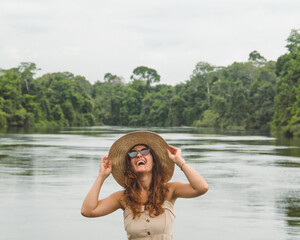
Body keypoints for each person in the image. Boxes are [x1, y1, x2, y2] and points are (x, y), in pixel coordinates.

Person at [81, 131, 209, 239]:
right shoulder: (122, 198)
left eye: (144, 151)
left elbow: (201, 188)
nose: (138, 155)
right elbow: (88, 211)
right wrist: (101, 176)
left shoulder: (170, 190)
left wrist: (179, 161)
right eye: (133, 153)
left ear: (154, 161)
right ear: (130, 165)